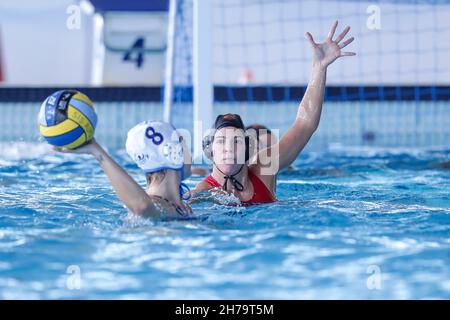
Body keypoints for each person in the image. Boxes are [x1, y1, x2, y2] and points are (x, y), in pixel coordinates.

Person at [191, 20, 355, 205]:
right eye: (221, 141)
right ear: (210, 150)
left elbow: (305, 124)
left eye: (236, 141)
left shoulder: (264, 168)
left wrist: (319, 68)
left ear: (248, 149)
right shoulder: (201, 194)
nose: (228, 147)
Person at [54, 121, 193, 219]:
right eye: (184, 144)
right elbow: (142, 207)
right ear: (175, 154)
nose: (190, 152)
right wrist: (97, 152)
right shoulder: (158, 205)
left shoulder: (177, 206)